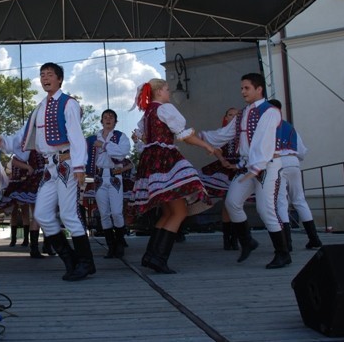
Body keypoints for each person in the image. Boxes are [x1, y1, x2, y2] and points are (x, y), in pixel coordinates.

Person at [0, 62, 95, 281]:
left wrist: (79, 166)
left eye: (49, 74)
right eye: (41, 75)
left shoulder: (69, 104)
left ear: (59, 79)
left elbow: (77, 136)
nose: (44, 78)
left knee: (68, 214)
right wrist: (4, 142)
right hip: (49, 167)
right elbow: (22, 138)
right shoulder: (38, 108)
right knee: (41, 215)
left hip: (67, 163)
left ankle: (85, 263)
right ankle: (71, 260)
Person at [198, 73, 291, 269]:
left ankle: (283, 253)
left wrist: (255, 167)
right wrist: (200, 137)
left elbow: (263, 142)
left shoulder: (270, 111)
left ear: (259, 89)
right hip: (248, 166)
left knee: (266, 210)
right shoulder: (242, 113)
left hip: (267, 165)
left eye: (246, 88)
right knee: (232, 202)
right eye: (241, 88)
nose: (242, 92)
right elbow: (225, 134)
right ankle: (247, 241)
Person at [129, 78, 216, 274]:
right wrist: (206, 146)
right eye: (167, 89)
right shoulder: (164, 109)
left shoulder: (147, 114)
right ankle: (158, 258)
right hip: (166, 160)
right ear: (159, 92)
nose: (169, 93)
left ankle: (151, 255)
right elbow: (184, 135)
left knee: (169, 212)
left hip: (151, 162)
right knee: (179, 212)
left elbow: (143, 142)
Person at [268, 99, 322, 250]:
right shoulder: (290, 127)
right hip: (293, 161)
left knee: (281, 202)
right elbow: (302, 151)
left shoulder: (267, 127)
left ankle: (287, 244)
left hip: (277, 163)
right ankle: (314, 238)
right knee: (299, 200)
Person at [85, 109, 131, 259]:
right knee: (104, 213)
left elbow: (121, 153)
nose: (108, 119)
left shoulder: (120, 137)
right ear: (101, 121)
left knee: (117, 212)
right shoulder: (92, 139)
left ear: (115, 121)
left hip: (114, 176)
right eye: (105, 117)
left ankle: (119, 242)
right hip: (99, 177)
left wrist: (104, 146)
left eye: (111, 117)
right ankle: (111, 246)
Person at [198, 107, 241, 251]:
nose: (234, 117)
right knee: (228, 203)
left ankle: (234, 238)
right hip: (225, 168)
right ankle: (228, 239)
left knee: (234, 204)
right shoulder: (223, 133)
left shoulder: (243, 133)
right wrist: (222, 160)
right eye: (231, 115)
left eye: (237, 115)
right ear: (226, 117)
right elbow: (216, 148)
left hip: (239, 168)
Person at [0, 141, 48, 258]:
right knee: (37, 213)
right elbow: (14, 160)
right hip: (33, 181)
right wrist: (28, 167)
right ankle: (33, 246)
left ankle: (45, 244)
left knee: (46, 213)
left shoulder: (48, 141)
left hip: (48, 178)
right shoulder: (29, 145)